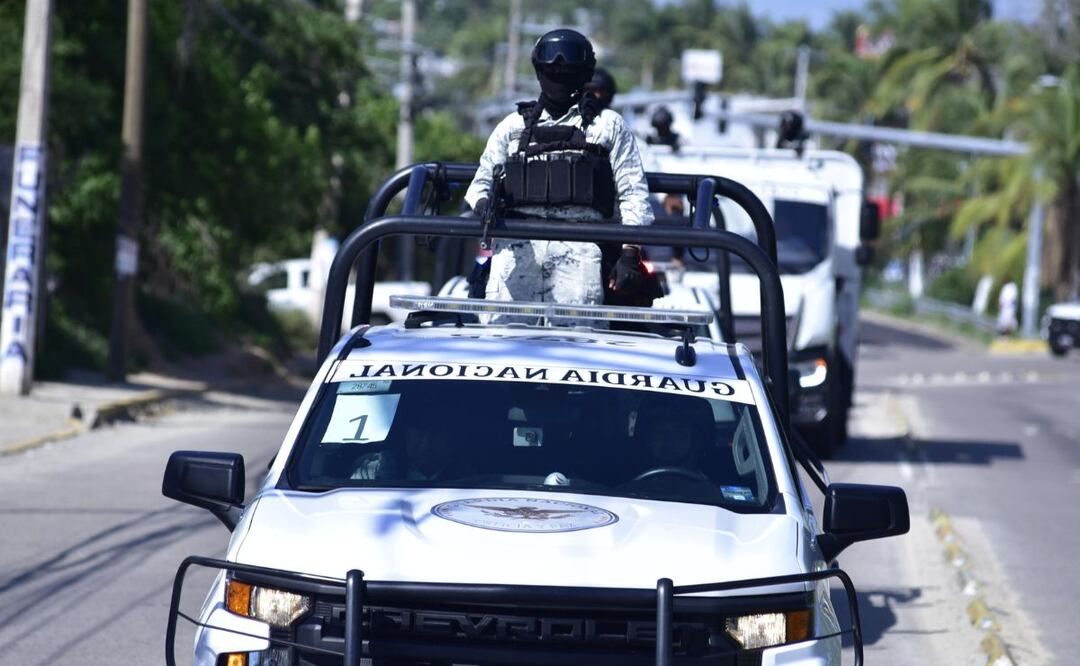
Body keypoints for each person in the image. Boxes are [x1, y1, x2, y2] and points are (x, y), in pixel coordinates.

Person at [465, 29, 654, 314]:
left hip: (581, 255)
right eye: (552, 67)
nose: (559, 72)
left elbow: (633, 194)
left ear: (585, 72)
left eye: (568, 68)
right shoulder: (512, 127)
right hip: (516, 253)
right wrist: (483, 205)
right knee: (505, 345)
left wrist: (630, 253)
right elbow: (480, 184)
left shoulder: (607, 125)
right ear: (539, 70)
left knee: (575, 351)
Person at [352, 420, 463, 482]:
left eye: (437, 434)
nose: (426, 443)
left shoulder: (472, 479)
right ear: (407, 434)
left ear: (451, 438)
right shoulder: (373, 471)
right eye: (420, 433)